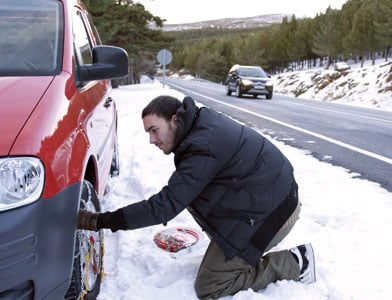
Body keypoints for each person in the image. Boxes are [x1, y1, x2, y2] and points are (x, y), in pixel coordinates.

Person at [78, 95, 315, 299]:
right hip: (268, 198)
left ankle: (296, 262)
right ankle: (238, 252)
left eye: (154, 130)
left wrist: (102, 221)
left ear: (174, 120)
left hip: (274, 213)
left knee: (209, 285)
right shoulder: (200, 127)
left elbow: (165, 206)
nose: (151, 140)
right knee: (193, 195)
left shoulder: (201, 147)